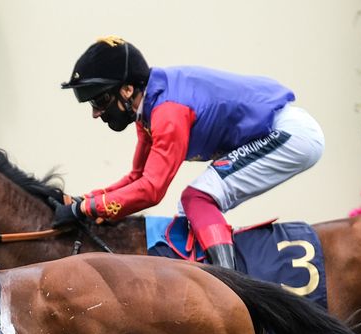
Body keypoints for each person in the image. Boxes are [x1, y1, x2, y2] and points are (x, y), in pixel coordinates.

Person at [55, 36, 325, 269]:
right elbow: (138, 177)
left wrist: (86, 209)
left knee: (196, 198)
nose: (95, 113)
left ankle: (231, 284)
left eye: (100, 100)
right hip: (280, 130)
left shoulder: (167, 111)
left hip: (290, 133)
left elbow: (151, 191)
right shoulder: (148, 110)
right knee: (190, 205)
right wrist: (86, 200)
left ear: (127, 90)